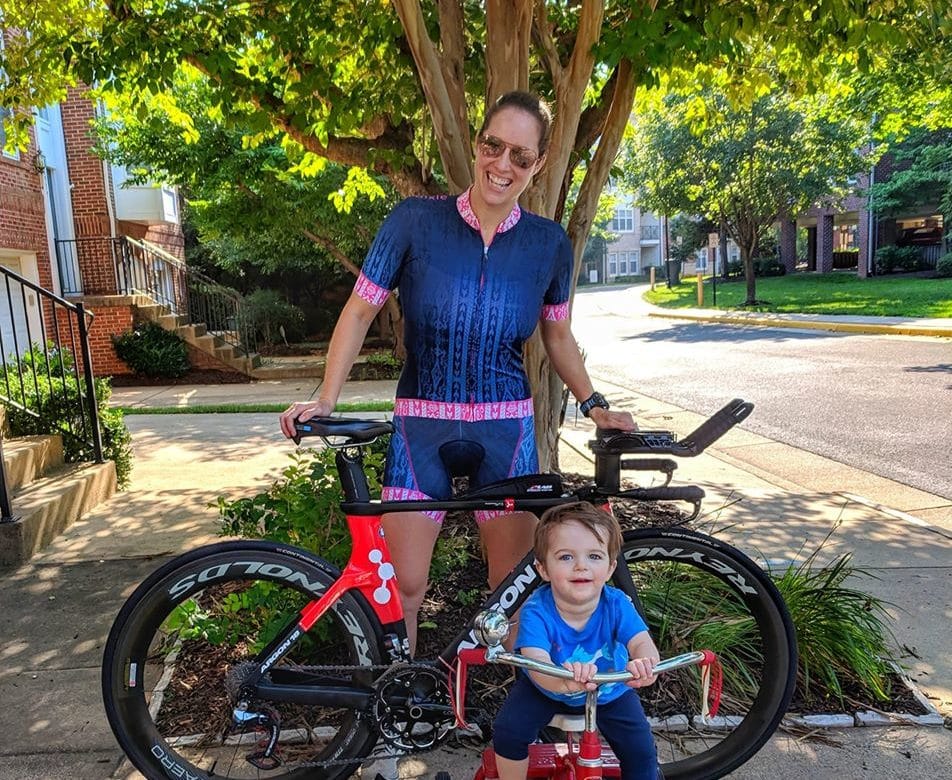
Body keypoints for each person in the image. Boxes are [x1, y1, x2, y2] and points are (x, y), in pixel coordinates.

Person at [279, 91, 635, 653]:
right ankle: (394, 717)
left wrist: (595, 405)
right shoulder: (416, 221)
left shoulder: (548, 244)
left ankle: (517, 724)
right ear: (477, 143)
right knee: (404, 588)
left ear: (539, 165)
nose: (504, 165)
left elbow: (558, 334)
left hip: (506, 430)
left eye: (521, 156)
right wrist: (325, 397)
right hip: (423, 425)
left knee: (512, 590)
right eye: (495, 146)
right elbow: (360, 308)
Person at [491, 501, 661, 780]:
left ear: (609, 568)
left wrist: (645, 663)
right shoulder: (536, 610)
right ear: (543, 569)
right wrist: (563, 682)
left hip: (610, 691)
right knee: (508, 732)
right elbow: (536, 662)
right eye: (566, 557)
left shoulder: (617, 604)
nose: (581, 566)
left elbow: (641, 641)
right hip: (547, 689)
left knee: (642, 751)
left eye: (594, 556)